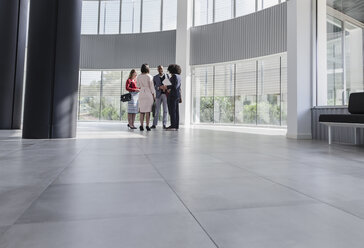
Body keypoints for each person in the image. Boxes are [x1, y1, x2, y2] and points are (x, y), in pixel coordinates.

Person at [161, 64, 181, 131]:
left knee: (172, 111)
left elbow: (172, 86)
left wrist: (166, 86)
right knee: (176, 111)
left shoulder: (174, 76)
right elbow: (178, 87)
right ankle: (176, 126)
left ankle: (173, 126)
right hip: (177, 95)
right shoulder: (179, 76)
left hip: (172, 95)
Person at [136, 64, 156, 131]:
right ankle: (147, 126)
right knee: (148, 111)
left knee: (141, 111)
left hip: (141, 94)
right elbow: (152, 87)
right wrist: (154, 96)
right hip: (148, 94)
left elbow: (138, 85)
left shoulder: (138, 76)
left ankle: (141, 126)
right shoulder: (149, 76)